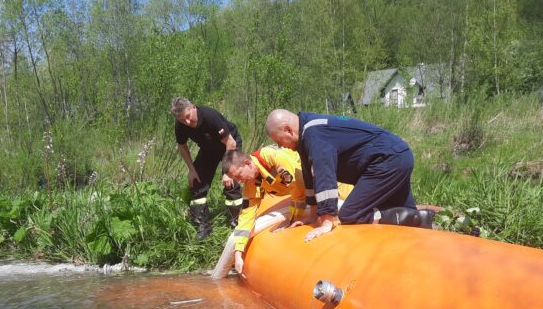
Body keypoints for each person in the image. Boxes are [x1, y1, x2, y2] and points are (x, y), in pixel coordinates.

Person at [265, 109, 433, 241]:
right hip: (396, 156)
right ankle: (417, 224)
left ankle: (407, 218)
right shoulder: (306, 132)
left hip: (386, 162)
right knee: (410, 217)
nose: (282, 147)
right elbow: (310, 179)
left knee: (349, 215)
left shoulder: (314, 134)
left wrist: (327, 220)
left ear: (288, 130)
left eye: (280, 142)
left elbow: (324, 174)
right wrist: (312, 217)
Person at [221, 147, 308, 274]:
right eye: (236, 179)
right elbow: (246, 216)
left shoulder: (273, 158)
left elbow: (299, 188)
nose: (240, 181)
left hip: (326, 182)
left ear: (247, 163)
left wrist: (292, 220)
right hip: (301, 191)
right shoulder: (250, 182)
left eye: (239, 175)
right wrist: (238, 253)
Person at [170, 97, 243, 239]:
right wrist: (191, 170)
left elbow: (231, 143)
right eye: (181, 120)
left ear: (193, 108)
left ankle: (237, 221)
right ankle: (202, 225)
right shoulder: (180, 125)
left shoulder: (210, 116)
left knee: (230, 182)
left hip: (229, 145)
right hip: (208, 148)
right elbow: (182, 146)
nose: (187, 122)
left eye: (187, 117)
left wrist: (227, 172)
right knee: (196, 182)